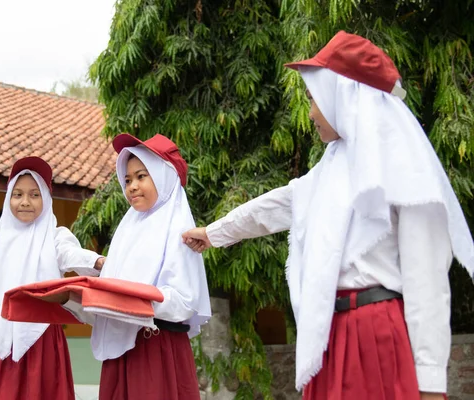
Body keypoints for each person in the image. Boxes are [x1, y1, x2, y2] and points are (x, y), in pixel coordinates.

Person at [182, 31, 474, 400]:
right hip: (328, 334)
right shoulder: (330, 171)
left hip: (376, 335)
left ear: (345, 96)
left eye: (313, 100)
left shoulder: (404, 169)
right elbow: (278, 205)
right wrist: (214, 233)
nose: (311, 112)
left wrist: (430, 382)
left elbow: (427, 279)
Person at [86, 133, 211, 400]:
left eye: (142, 176)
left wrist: (134, 300)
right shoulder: (127, 228)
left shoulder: (179, 229)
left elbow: (184, 300)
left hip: (156, 348)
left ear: (163, 176)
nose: (131, 186)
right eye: (128, 179)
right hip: (121, 349)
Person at [0, 156, 105, 400]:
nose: (25, 202)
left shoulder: (54, 237)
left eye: (34, 194)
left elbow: (69, 254)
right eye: (17, 194)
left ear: (46, 199)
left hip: (41, 343)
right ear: (8, 198)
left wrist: (96, 262)